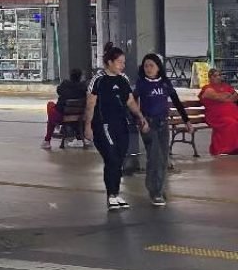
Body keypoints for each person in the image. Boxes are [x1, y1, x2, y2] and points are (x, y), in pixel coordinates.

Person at [84, 43, 148, 210]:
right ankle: (111, 195)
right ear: (110, 62)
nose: (122, 65)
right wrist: (88, 126)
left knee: (119, 159)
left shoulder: (123, 79)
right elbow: (90, 104)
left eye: (123, 62)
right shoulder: (98, 80)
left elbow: (130, 100)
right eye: (119, 62)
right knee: (111, 158)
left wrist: (140, 116)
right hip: (103, 125)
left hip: (121, 124)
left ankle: (116, 193)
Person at [133, 54, 189, 206]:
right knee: (155, 156)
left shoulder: (165, 83)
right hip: (148, 124)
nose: (148, 69)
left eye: (151, 65)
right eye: (146, 66)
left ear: (158, 67)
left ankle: (159, 187)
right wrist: (140, 120)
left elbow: (176, 101)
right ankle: (155, 191)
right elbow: (131, 102)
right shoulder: (141, 84)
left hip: (163, 124)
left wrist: (187, 121)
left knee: (163, 158)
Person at [43, 69, 87, 150]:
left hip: (61, 115)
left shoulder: (65, 84)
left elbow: (58, 90)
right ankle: (52, 128)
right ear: (80, 77)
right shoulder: (83, 87)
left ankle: (47, 140)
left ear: (70, 76)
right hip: (80, 115)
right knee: (52, 112)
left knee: (50, 105)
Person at [199, 69, 238, 156]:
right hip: (216, 116)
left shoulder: (226, 86)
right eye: (215, 76)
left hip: (231, 113)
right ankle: (227, 149)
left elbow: (235, 96)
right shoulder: (207, 88)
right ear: (210, 77)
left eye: (219, 75)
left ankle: (235, 147)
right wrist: (226, 95)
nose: (218, 77)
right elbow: (216, 97)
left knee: (234, 121)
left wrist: (224, 96)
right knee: (231, 123)